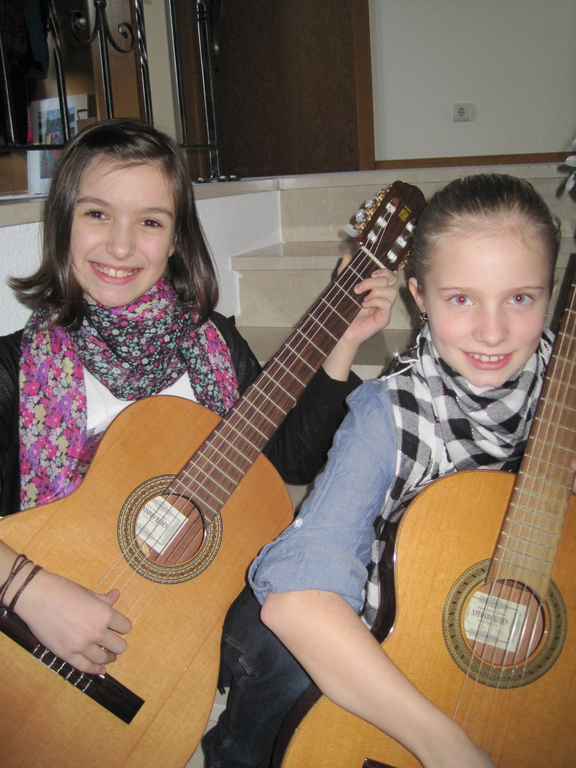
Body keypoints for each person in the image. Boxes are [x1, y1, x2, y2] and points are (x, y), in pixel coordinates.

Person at [0, 118, 398, 677]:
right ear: (63, 220)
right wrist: (30, 591)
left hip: (191, 599)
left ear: (175, 240)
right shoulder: (15, 368)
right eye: (97, 214)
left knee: (303, 649)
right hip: (38, 618)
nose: (120, 244)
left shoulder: (213, 344)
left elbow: (289, 459)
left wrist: (343, 340)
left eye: (150, 221)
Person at [205, 173, 576, 768]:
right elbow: (297, 599)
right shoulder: (387, 415)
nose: (492, 331)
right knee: (296, 668)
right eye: (461, 298)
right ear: (418, 296)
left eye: (519, 298)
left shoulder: (565, 387)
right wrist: (448, 748)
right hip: (386, 605)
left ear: (550, 292)